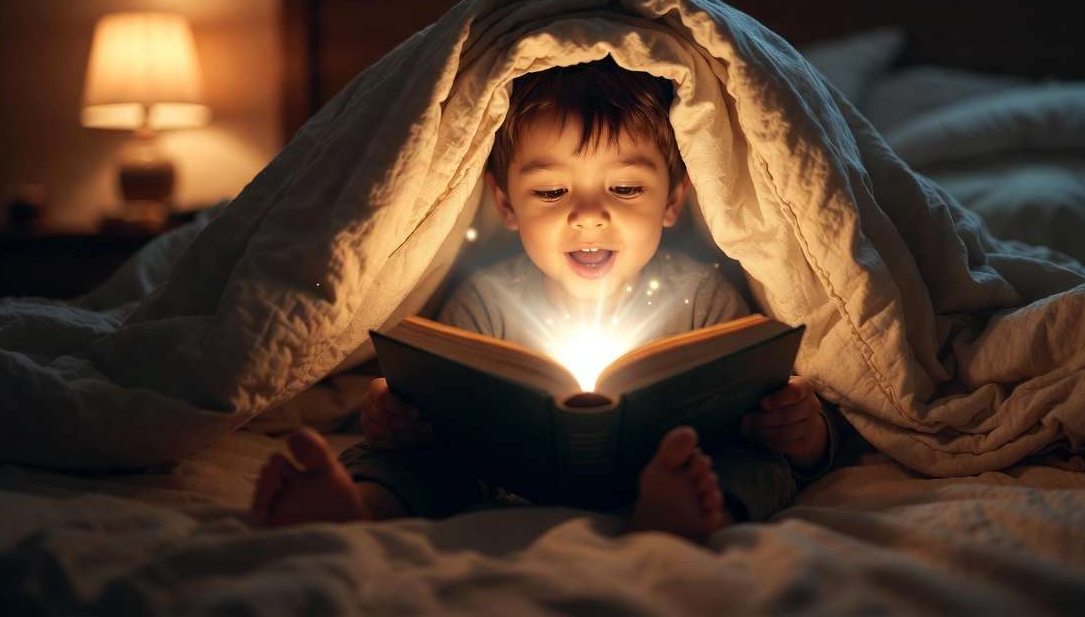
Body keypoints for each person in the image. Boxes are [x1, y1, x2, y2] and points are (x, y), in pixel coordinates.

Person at [252, 57, 837, 541]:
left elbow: (758, 411)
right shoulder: (484, 300)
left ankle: (685, 516)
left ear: (673, 200)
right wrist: (396, 420)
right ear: (506, 205)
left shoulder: (705, 297)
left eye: (626, 187)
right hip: (507, 477)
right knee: (412, 462)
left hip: (667, 469)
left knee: (754, 464)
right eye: (552, 190)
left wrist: (801, 434)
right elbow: (439, 414)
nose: (587, 214)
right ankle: (358, 509)